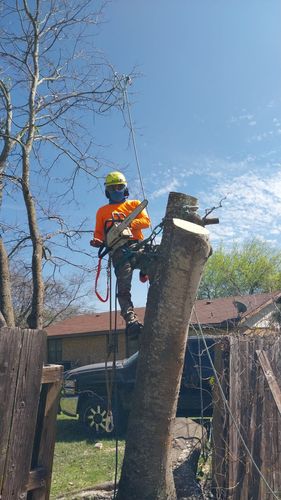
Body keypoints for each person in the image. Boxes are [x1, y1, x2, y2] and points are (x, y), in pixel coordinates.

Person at [90, 171, 151, 330]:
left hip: (137, 244)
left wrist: (129, 223)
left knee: (154, 259)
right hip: (118, 250)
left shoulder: (134, 205)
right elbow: (98, 232)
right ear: (107, 190)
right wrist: (97, 240)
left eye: (119, 187)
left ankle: (145, 271)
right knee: (124, 288)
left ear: (125, 188)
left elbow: (146, 221)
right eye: (113, 187)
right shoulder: (102, 211)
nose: (116, 190)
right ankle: (131, 320)